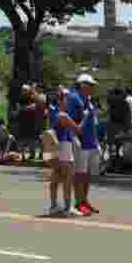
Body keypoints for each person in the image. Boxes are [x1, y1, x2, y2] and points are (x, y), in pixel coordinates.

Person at [66, 73, 101, 216]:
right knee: (80, 174)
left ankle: (84, 201)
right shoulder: (74, 98)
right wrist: (75, 139)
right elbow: (72, 121)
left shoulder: (88, 99)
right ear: (82, 84)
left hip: (91, 141)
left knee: (87, 174)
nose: (92, 87)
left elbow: (93, 121)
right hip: (81, 141)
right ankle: (79, 203)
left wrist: (96, 140)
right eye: (89, 85)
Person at [47, 88, 78, 216]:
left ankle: (54, 206)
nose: (68, 100)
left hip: (55, 145)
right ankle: (67, 207)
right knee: (67, 177)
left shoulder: (53, 111)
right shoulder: (63, 114)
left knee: (56, 176)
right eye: (66, 98)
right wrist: (87, 116)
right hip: (63, 146)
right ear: (60, 100)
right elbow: (78, 129)